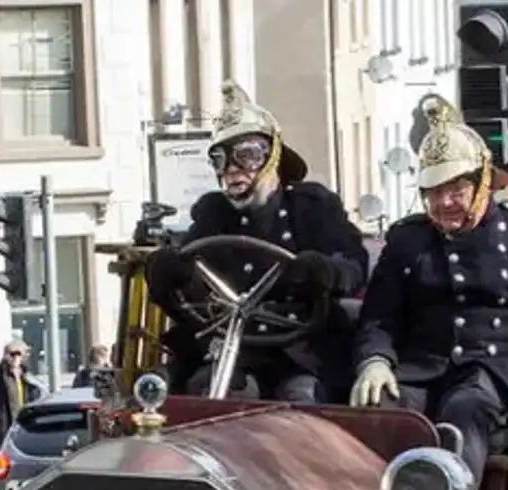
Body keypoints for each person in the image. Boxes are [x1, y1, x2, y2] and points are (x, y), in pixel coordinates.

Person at [349, 94, 508, 490]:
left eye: (456, 189)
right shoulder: (406, 240)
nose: (444, 203)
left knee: (462, 415)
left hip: (496, 382)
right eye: (432, 192)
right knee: (376, 414)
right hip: (420, 375)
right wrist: (375, 362)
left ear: (483, 181)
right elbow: (379, 318)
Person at [144, 81, 370, 404]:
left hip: (302, 349)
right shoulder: (212, 214)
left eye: (246, 156)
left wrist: (323, 271)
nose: (233, 170)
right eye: (221, 160)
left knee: (301, 397)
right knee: (209, 395)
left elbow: (354, 265)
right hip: (232, 348)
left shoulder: (312, 207)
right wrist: (166, 270)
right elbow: (186, 286)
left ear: (273, 156)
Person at [0, 339, 45, 449]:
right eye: (12, 354)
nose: (15, 358)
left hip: (23, 429)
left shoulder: (26, 376)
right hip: (3, 432)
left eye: (19, 354)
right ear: (5, 355)